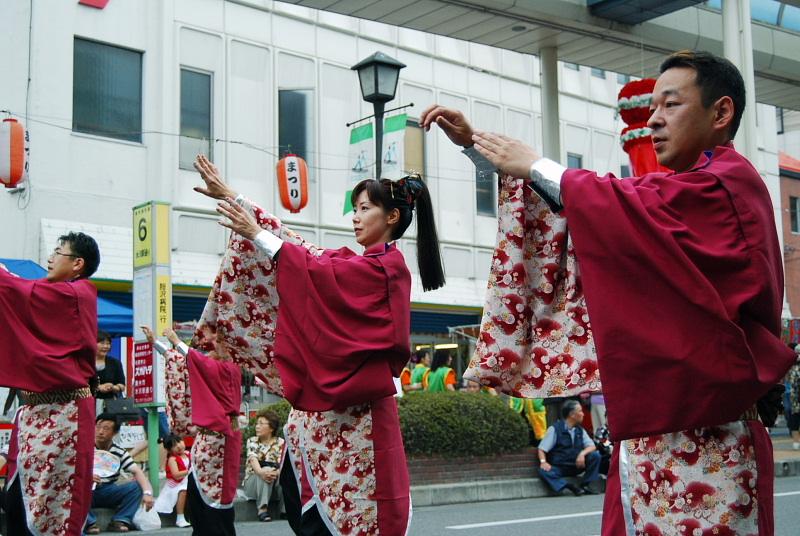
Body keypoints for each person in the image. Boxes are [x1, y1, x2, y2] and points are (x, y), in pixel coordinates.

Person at [422, 50, 796, 535]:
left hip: (712, 440)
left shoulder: (729, 185)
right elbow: (598, 214)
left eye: (671, 105)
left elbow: (617, 205)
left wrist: (534, 164)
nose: (655, 120)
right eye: (652, 108)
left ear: (721, 113)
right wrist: (483, 148)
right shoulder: (673, 198)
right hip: (647, 437)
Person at [191, 153, 445, 535]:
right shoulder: (355, 264)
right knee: (312, 509)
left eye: (364, 208)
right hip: (326, 418)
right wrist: (232, 197)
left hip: (361, 420)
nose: (355, 217)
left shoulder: (386, 269)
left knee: (362, 517)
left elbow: (313, 267)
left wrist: (255, 234)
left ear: (392, 217)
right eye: (354, 209)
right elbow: (300, 248)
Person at [0, 232, 100, 536]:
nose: (50, 257)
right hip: (33, 415)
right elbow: (19, 290)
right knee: (17, 503)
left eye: (58, 252)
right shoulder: (50, 294)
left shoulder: (79, 293)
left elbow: (18, 290)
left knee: (56, 513)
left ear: (77, 264)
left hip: (65, 414)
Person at [142, 325, 242, 536]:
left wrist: (177, 341)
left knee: (215, 501)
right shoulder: (208, 365)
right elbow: (182, 361)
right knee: (197, 498)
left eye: (216, 340)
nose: (210, 345)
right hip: (205, 441)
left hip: (220, 440)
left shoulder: (228, 368)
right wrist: (156, 344)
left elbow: (197, 361)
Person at [86, 414, 155, 534]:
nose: (101, 432)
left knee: (136, 486)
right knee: (73, 487)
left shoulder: (119, 451)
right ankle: (89, 523)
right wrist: (87, 477)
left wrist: (148, 493)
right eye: (98, 427)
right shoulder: (84, 448)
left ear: (115, 432)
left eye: (106, 428)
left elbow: (137, 471)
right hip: (87, 490)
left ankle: (120, 520)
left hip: (108, 490)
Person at [536, 400, 600, 496]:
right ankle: (569, 486)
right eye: (580, 411)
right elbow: (542, 449)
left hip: (577, 465)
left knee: (595, 456)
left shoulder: (580, 430)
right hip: (560, 467)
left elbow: (592, 446)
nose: (583, 414)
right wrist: (543, 462)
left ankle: (585, 485)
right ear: (572, 414)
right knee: (543, 471)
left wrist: (582, 454)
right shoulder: (555, 429)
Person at [242, 409, 285, 522]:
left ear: (271, 428)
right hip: (253, 484)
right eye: (257, 423)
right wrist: (262, 472)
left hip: (274, 483)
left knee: (285, 474)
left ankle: (285, 510)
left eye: (261, 423)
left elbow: (283, 464)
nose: (257, 426)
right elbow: (253, 460)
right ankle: (262, 509)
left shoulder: (281, 443)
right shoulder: (252, 441)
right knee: (265, 470)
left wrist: (276, 473)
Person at [153, 434, 192, 528]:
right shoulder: (172, 459)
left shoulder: (188, 454)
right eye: (174, 446)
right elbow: (176, 475)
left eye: (179, 442)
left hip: (188, 480)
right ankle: (180, 517)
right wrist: (190, 471)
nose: (178, 446)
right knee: (183, 491)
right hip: (176, 484)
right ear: (169, 450)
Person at [95, 330, 126, 402]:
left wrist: (113, 387)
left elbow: (122, 385)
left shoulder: (115, 362)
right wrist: (98, 387)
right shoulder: (85, 362)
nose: (106, 346)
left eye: (108, 344)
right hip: (87, 402)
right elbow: (79, 384)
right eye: (102, 343)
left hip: (110, 404)